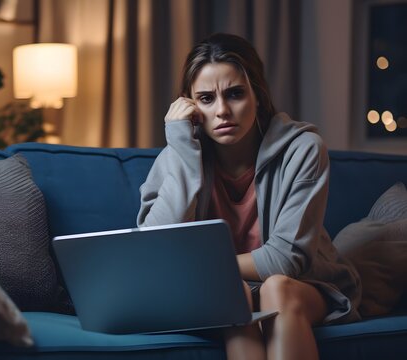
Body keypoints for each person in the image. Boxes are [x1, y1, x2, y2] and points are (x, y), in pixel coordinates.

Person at [136, 33, 361, 360]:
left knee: (276, 289)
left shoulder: (303, 149)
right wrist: (183, 153)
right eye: (206, 99)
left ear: (258, 94)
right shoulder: (177, 157)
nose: (223, 110)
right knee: (231, 292)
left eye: (235, 94)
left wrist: (204, 266)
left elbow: (286, 260)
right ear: (190, 106)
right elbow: (153, 250)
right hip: (224, 289)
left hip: (302, 284)